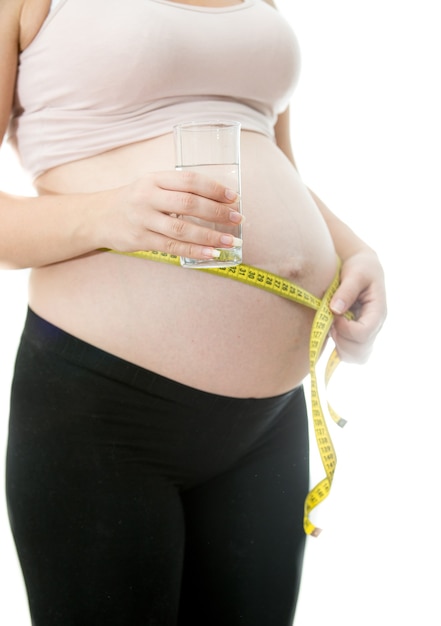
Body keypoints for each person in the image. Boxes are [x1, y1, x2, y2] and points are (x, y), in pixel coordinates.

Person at [0, 0, 387, 624]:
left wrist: (353, 252)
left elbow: (270, 155)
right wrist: (104, 215)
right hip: (105, 411)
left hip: (269, 424)